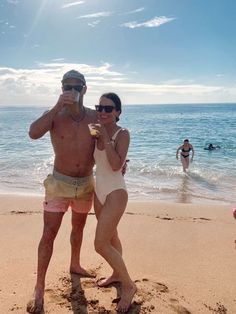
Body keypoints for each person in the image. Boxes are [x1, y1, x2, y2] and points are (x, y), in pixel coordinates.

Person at [27, 70, 98, 313]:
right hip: (59, 184)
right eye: (67, 86)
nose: (72, 90)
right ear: (62, 88)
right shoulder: (55, 115)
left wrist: (120, 164)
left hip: (86, 183)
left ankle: (75, 264)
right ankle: (39, 288)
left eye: (77, 86)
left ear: (85, 89)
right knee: (49, 233)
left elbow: (108, 143)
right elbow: (33, 133)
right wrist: (58, 105)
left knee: (78, 228)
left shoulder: (94, 116)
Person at [91, 93, 137, 312]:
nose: (102, 112)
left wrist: (106, 140)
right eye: (100, 107)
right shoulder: (95, 129)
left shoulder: (122, 133)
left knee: (100, 244)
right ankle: (117, 274)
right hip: (98, 191)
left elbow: (117, 164)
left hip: (116, 192)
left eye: (108, 109)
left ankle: (128, 285)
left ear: (118, 112)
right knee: (112, 236)